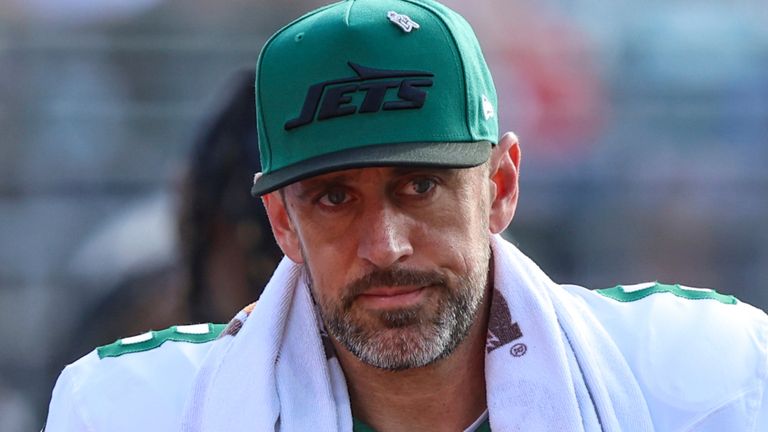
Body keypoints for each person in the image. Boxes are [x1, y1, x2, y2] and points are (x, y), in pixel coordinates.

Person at [44, 0, 768, 431]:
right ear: (281, 223)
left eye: (419, 186)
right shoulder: (126, 409)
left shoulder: (711, 376)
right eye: (334, 198)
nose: (384, 245)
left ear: (502, 185)